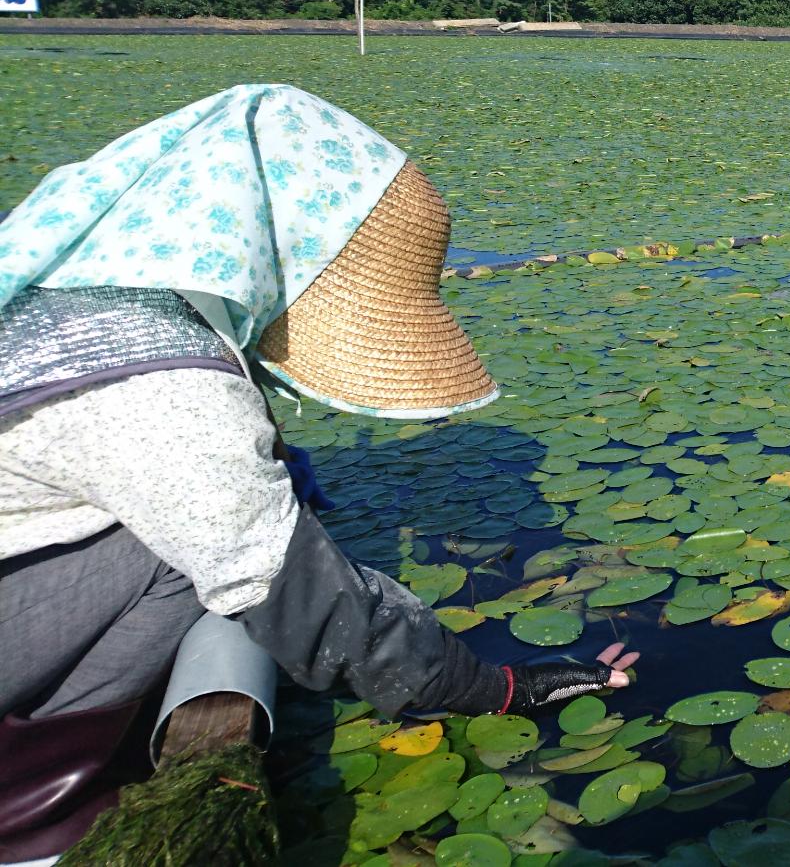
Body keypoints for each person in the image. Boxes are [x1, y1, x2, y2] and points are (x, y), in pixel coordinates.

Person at [0, 85, 639, 853]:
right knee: (190, 555)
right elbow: (299, 597)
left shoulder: (73, 293)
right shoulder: (160, 386)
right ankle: (33, 816)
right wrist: (493, 686)